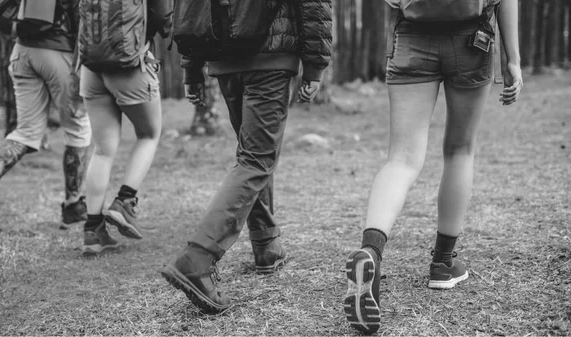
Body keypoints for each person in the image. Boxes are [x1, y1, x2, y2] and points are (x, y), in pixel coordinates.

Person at [344, 0, 523, 334]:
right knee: (459, 151)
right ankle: (443, 263)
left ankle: (371, 251)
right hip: (472, 38)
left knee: (402, 158)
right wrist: (513, 59)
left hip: (412, 36)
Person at [161, 0, 333, 314]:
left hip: (224, 55)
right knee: (256, 159)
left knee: (251, 156)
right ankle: (197, 258)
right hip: (269, 55)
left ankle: (266, 244)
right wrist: (315, 65)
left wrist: (191, 68)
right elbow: (313, 4)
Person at [0, 0, 91, 244]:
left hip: (22, 52)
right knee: (78, 128)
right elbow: (81, 19)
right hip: (58, 52)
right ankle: (73, 205)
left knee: (26, 132)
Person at [77, 0, 172, 255]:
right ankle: (124, 202)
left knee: (103, 149)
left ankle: (93, 230)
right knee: (149, 134)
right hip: (130, 64)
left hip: (91, 66)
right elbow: (163, 17)